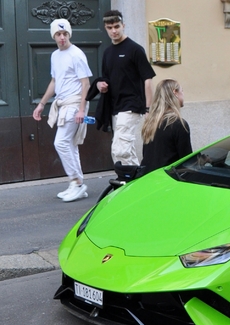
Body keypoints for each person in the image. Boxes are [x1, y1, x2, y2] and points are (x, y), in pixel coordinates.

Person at [32, 19, 91, 202]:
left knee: (61, 143)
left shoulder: (77, 54)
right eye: (58, 34)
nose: (62, 37)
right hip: (63, 104)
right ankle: (76, 183)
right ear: (54, 36)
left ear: (69, 34)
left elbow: (85, 83)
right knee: (70, 145)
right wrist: (42, 104)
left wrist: (81, 110)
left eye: (65, 34)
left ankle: (78, 183)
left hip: (74, 105)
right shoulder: (55, 56)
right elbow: (54, 81)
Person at [98, 10, 156, 166]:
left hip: (132, 105)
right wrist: (100, 85)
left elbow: (147, 80)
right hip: (115, 107)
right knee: (123, 151)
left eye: (117, 26)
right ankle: (135, 183)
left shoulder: (135, 49)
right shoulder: (107, 52)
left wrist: (148, 109)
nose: (114, 31)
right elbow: (105, 79)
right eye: (110, 27)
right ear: (105, 28)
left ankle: (130, 182)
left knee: (120, 150)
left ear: (123, 25)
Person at [140, 79, 192, 174]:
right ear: (175, 93)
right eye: (182, 90)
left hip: (148, 177)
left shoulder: (150, 123)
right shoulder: (178, 124)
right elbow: (187, 162)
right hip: (168, 179)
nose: (183, 94)